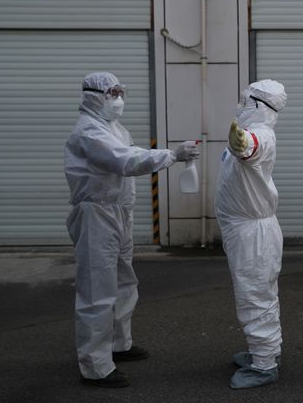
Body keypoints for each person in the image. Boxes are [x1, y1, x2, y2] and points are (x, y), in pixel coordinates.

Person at [65, 72, 199, 388]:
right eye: (112, 93)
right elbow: (125, 161)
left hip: (118, 214)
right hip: (96, 214)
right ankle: (95, 367)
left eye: (120, 92)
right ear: (94, 96)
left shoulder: (113, 128)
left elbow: (131, 152)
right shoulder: (89, 132)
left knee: (124, 280)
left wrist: (167, 155)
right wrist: (172, 155)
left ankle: (118, 344)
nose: (118, 99)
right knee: (97, 290)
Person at [215, 79, 287, 389]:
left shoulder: (261, 136)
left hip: (253, 234)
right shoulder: (250, 133)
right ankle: (266, 350)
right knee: (258, 293)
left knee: (255, 296)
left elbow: (251, 148)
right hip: (245, 231)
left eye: (246, 99)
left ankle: (264, 364)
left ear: (259, 104)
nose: (241, 104)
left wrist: (243, 143)